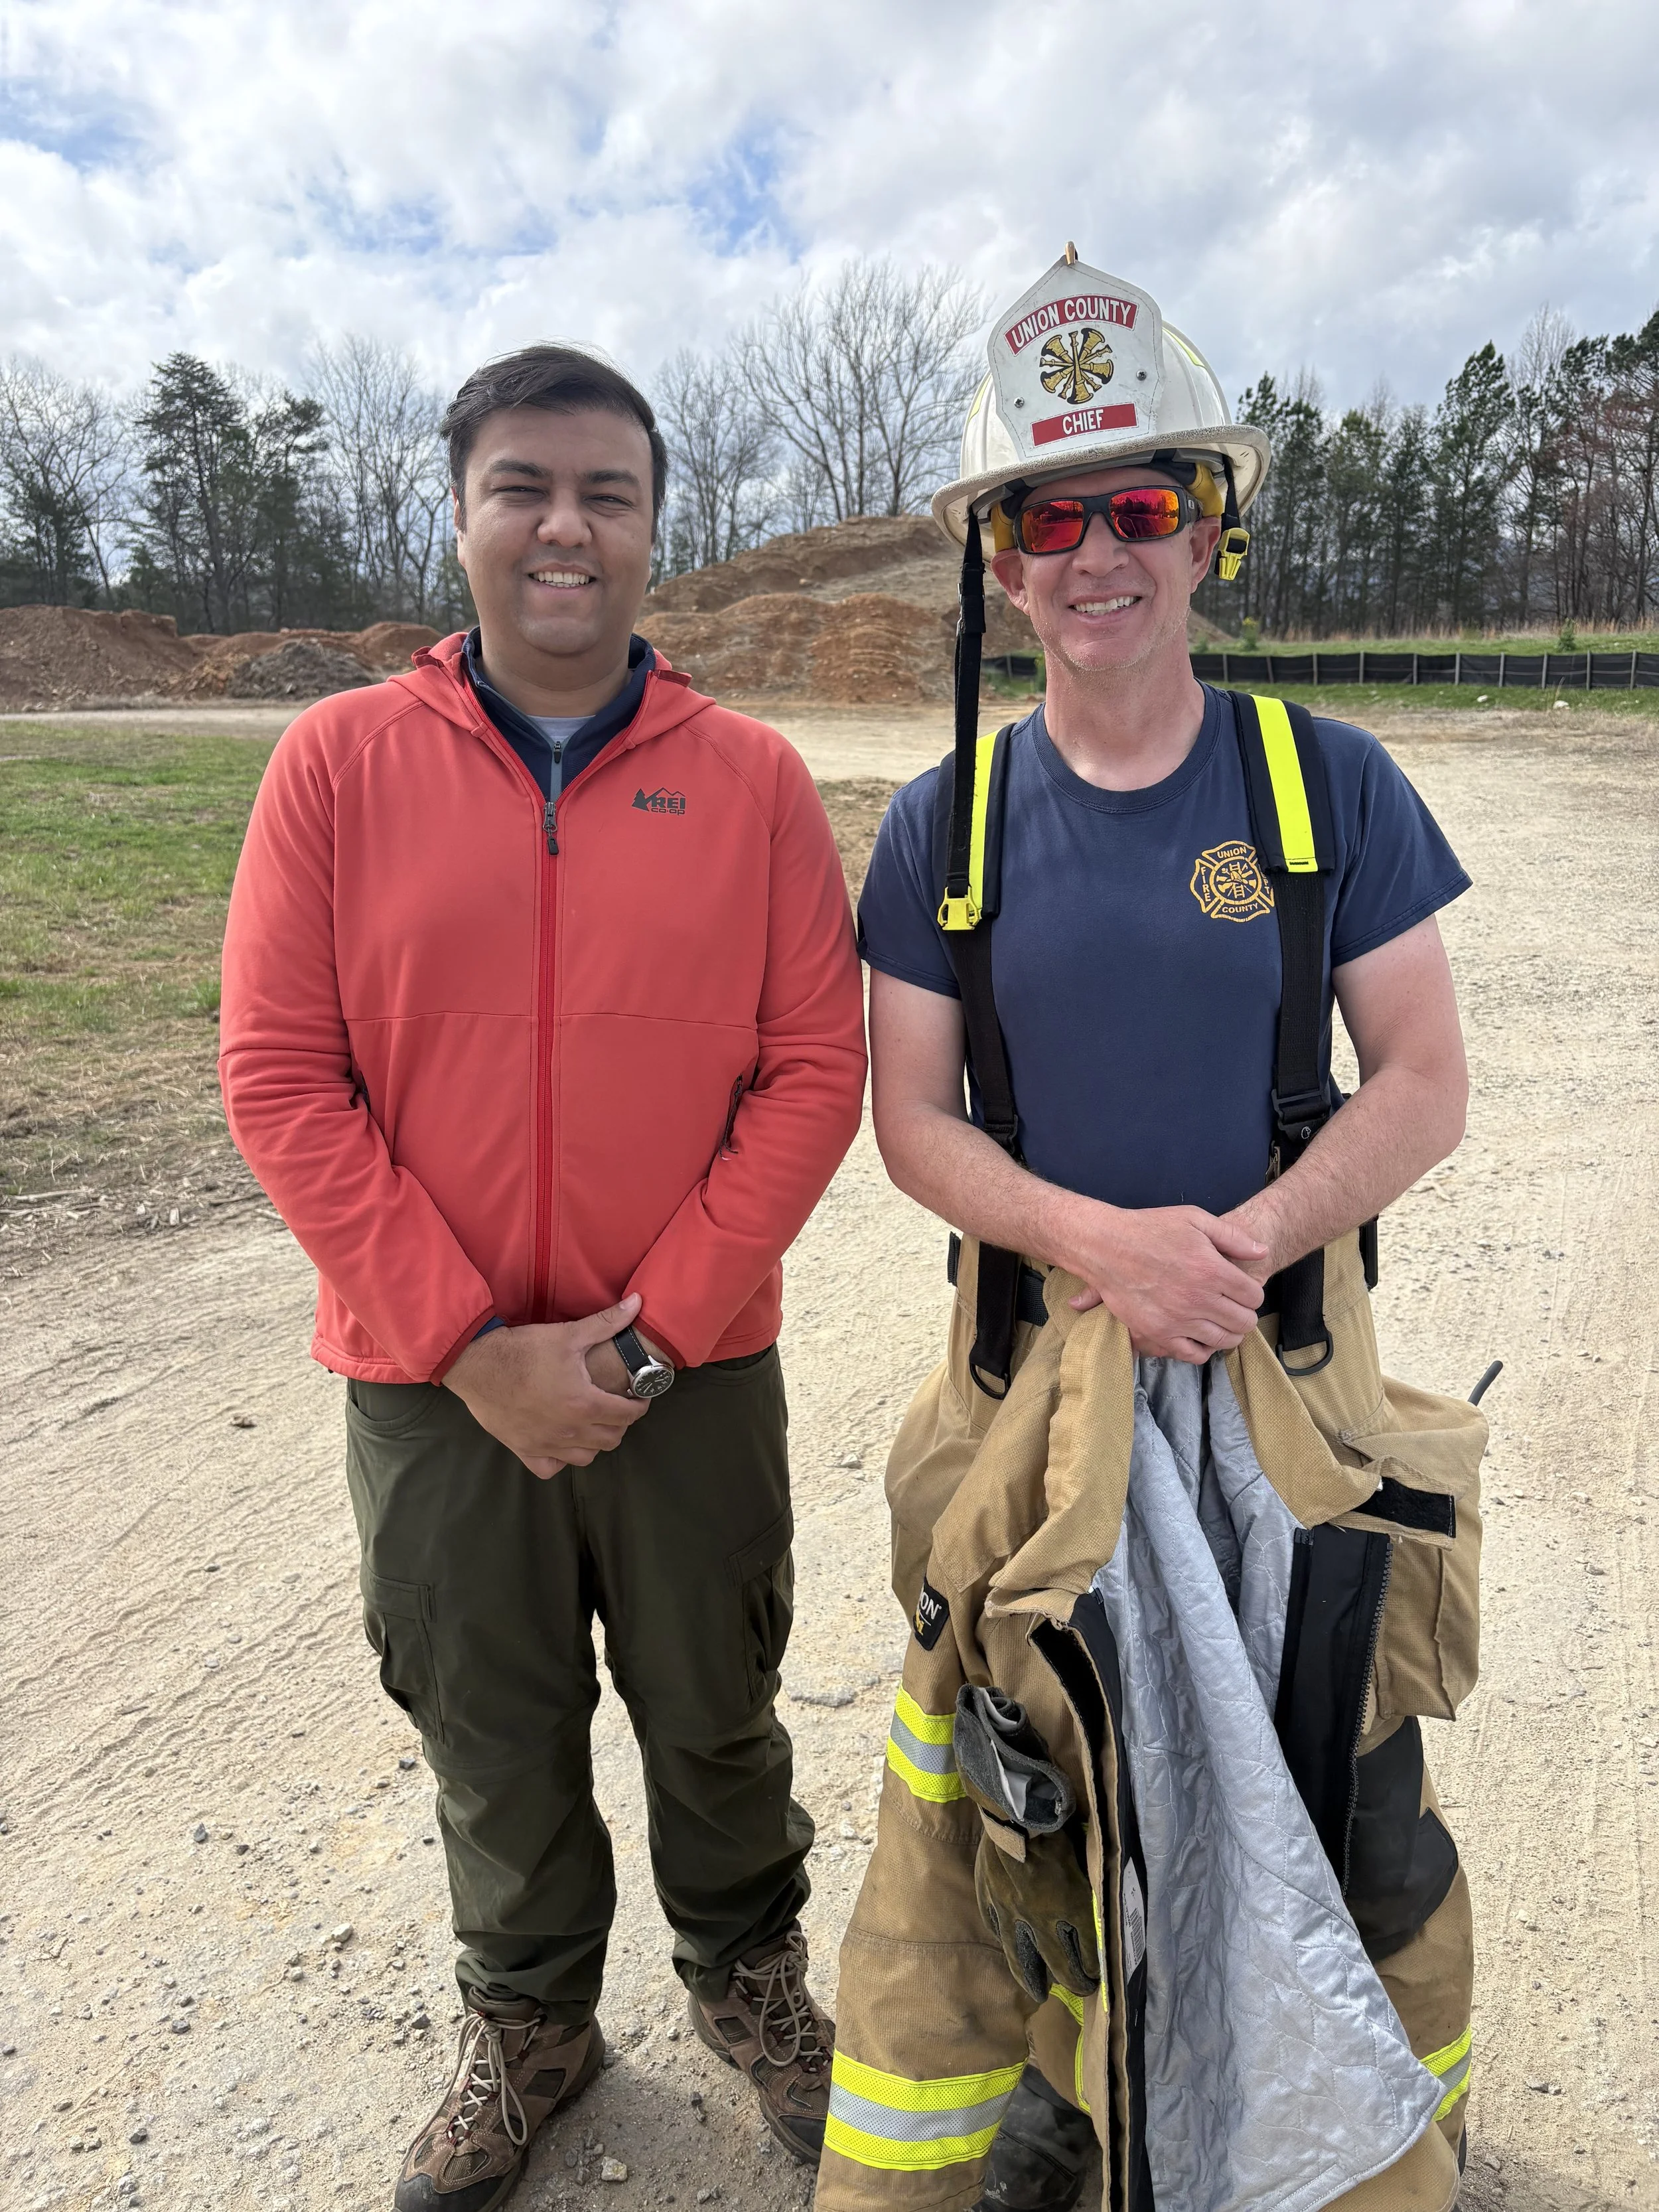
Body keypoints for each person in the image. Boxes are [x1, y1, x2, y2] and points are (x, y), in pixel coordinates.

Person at [816, 253, 1485, 2212]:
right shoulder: (945, 825)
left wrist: (1243, 1238)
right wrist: (1102, 1249)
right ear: (997, 566)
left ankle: (1368, 2137)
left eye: (1140, 504)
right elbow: (911, 1121)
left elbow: (1423, 1077)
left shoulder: (1321, 787)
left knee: (1333, 1790)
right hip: (1031, 1395)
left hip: (1286, 1381)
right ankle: (1071, 2102)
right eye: (1048, 514)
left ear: (1205, 535)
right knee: (1026, 1788)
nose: (1096, 549)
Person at [219, 344, 867, 2212]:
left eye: (606, 493)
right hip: (435, 1392)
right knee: (487, 1722)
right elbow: (278, 1072)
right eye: (523, 486)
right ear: (461, 515)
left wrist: (646, 1341)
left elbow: (811, 1069)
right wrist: (471, 1345)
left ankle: (750, 1982)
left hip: (692, 1376)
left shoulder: (747, 781)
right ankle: (529, 2021)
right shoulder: (336, 762)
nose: (564, 527)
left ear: (658, 530)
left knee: (714, 1705)